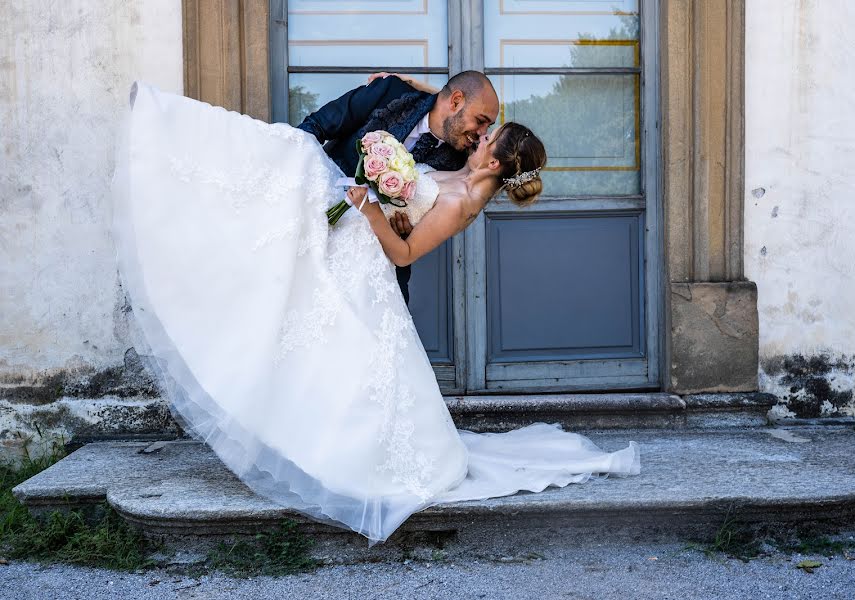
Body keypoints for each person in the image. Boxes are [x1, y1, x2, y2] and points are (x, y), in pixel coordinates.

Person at [113, 81, 640, 546]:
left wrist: (368, 207)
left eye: (486, 137)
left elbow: (404, 253)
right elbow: (448, 112)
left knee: (343, 354)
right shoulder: (460, 169)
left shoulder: (462, 202)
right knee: (291, 162)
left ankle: (325, 449)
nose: (479, 137)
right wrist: (409, 88)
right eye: (481, 125)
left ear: (495, 161)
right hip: (350, 246)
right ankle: (170, 128)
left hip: (368, 258)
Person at [297, 71, 500, 305]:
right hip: (316, 213)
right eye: (481, 120)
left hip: (372, 250)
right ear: (455, 101)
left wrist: (406, 230)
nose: (482, 133)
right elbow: (316, 126)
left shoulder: (460, 163)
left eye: (488, 127)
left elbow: (425, 228)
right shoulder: (391, 93)